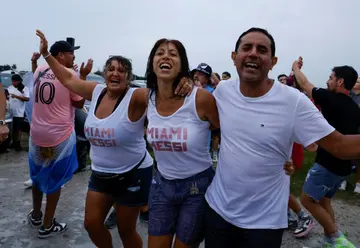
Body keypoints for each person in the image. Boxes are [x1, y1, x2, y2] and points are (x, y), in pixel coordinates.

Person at [204, 27, 360, 248]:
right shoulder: (223, 92)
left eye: (262, 49)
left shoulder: (293, 101)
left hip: (264, 223)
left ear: (273, 61)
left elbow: (339, 145)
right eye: (246, 47)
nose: (253, 53)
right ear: (234, 56)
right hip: (218, 212)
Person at [36, 30, 192, 248]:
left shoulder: (136, 96)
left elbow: (164, 92)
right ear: (104, 74)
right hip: (101, 174)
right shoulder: (97, 92)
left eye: (122, 70)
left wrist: (185, 80)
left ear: (129, 77)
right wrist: (46, 55)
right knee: (91, 224)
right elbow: (69, 78)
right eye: (111, 69)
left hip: (133, 173)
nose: (115, 73)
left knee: (125, 230)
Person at [145, 38, 219, 248]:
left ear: (182, 64)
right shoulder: (146, 98)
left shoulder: (200, 99)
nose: (166, 56)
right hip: (161, 184)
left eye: (173, 54)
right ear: (152, 62)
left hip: (197, 186)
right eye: (160, 53)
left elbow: (221, 126)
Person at [293, 59, 358, 248]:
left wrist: (295, 68)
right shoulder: (355, 108)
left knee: (307, 199)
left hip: (327, 163)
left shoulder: (330, 98)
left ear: (340, 82)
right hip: (344, 166)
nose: (327, 81)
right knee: (324, 199)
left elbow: (305, 84)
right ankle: (330, 240)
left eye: (331, 78)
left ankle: (336, 236)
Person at [29, 35, 84, 239]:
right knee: (55, 180)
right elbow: (78, 103)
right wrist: (81, 75)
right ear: (60, 56)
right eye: (71, 52)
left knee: (37, 176)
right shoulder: (70, 74)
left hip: (36, 134)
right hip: (59, 136)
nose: (74, 56)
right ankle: (47, 224)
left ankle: (36, 214)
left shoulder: (39, 70)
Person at [192, 63, 220, 163]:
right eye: (196, 72)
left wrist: (200, 91)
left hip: (202, 135)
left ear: (207, 78)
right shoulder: (189, 88)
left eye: (200, 74)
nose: (196, 75)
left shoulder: (212, 92)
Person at [7, 74, 29, 151]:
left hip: (19, 112)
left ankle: (18, 143)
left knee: (19, 128)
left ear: (19, 81)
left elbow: (27, 98)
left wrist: (16, 96)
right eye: (12, 81)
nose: (13, 83)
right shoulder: (10, 88)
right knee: (13, 129)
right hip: (11, 113)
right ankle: (13, 142)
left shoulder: (24, 88)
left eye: (15, 81)